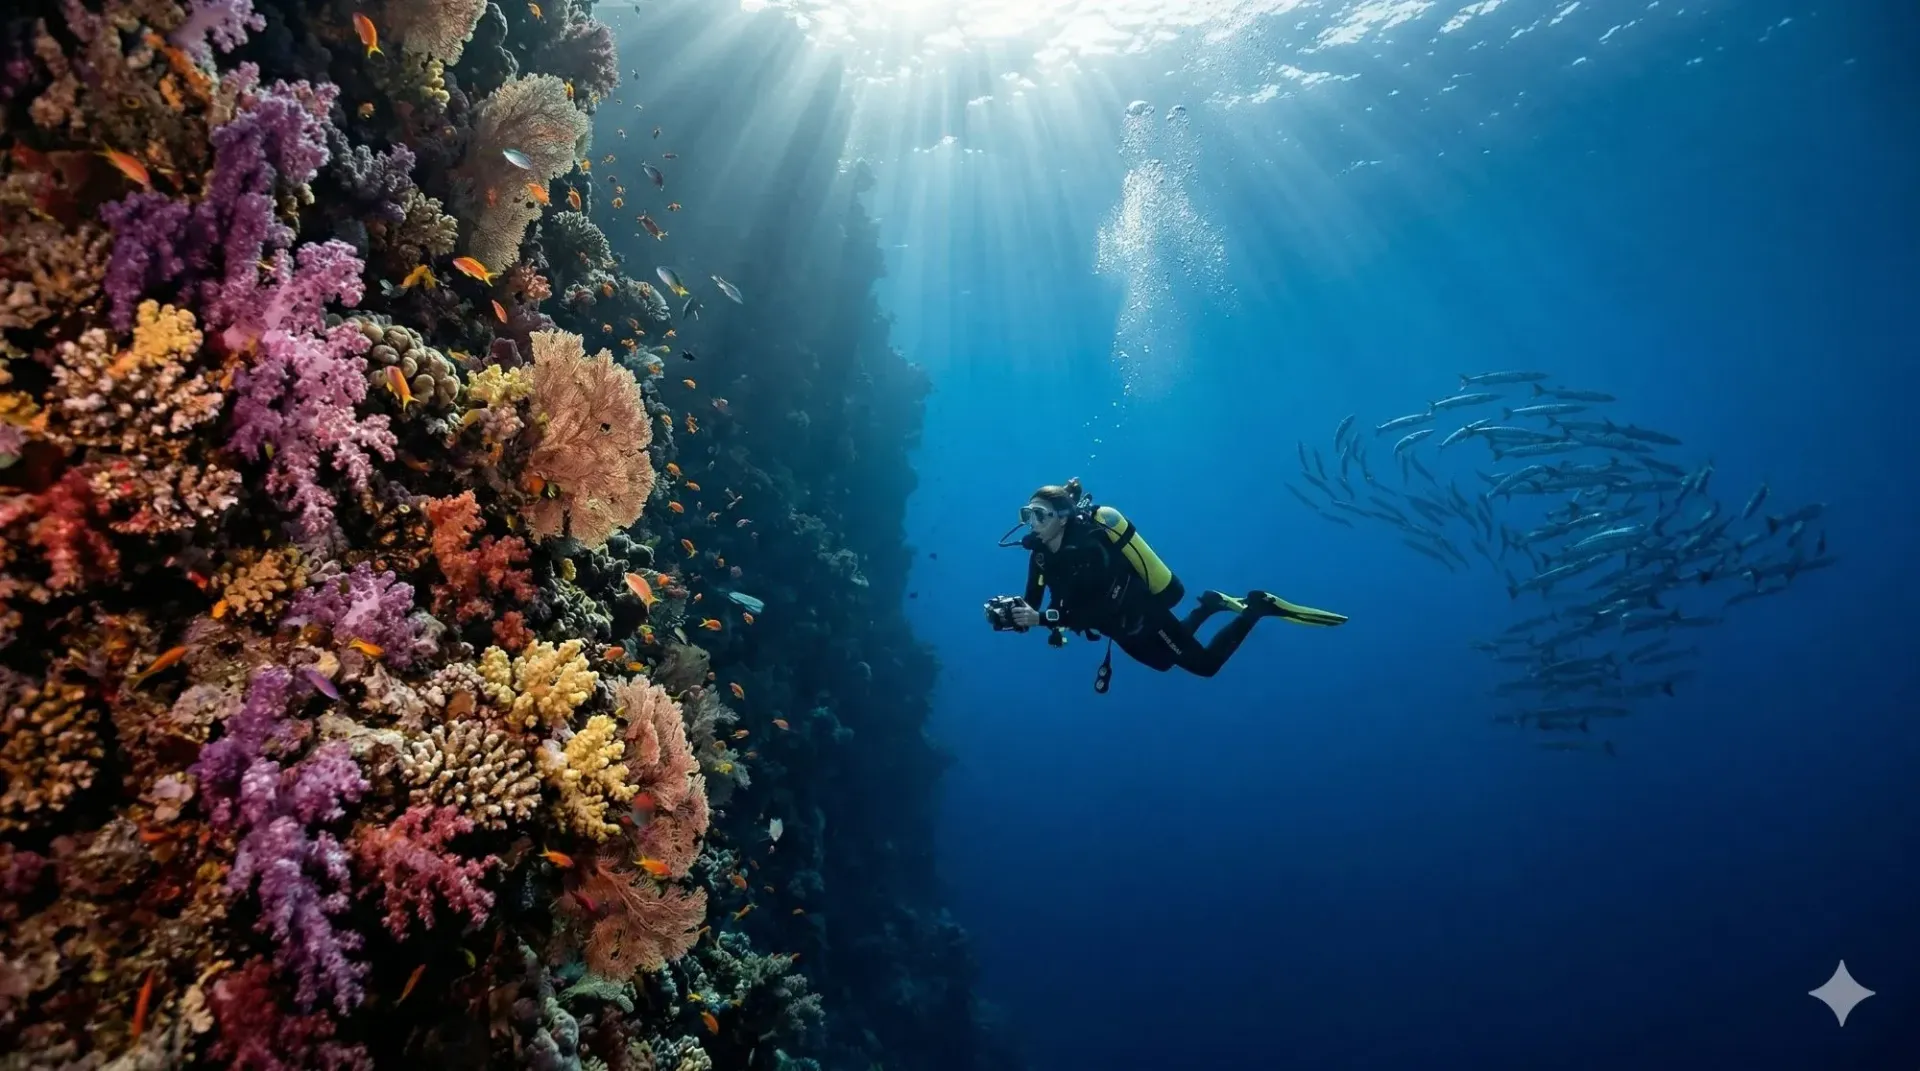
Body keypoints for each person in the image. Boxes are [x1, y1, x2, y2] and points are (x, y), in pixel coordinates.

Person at [989, 478, 1346, 688]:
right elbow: (1034, 603)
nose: (1030, 522)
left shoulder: (1090, 548)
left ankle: (1259, 607)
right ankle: (1208, 605)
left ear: (1063, 518)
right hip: (1122, 631)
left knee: (1205, 667)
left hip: (1144, 616)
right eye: (1026, 514)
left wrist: (1043, 620)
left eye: (1039, 514)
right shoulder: (1039, 556)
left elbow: (1094, 609)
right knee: (1164, 663)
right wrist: (1014, 614)